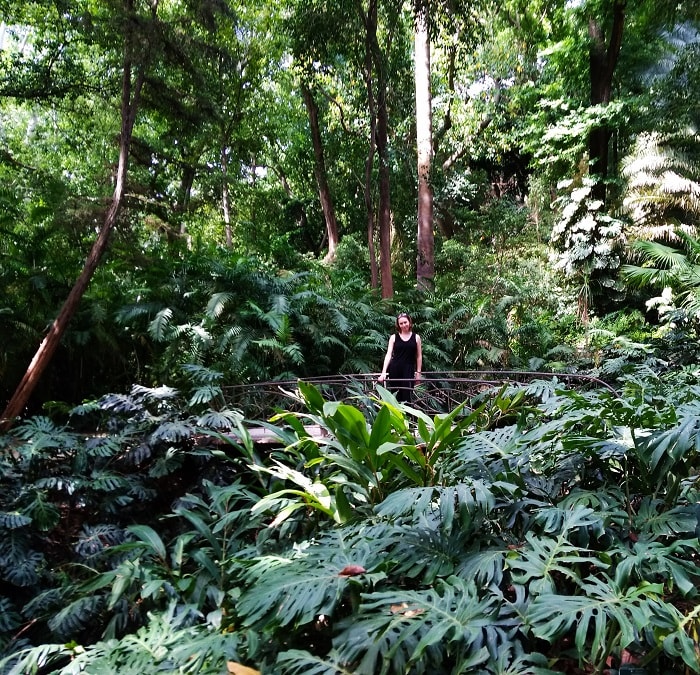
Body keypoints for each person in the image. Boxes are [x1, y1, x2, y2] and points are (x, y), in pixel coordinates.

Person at [377, 312, 422, 402]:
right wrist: (383, 372)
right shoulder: (393, 337)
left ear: (409, 322)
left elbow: (419, 356)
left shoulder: (416, 337)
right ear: (398, 325)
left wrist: (418, 373)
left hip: (408, 369)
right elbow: (389, 354)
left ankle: (407, 416)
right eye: (401, 323)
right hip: (395, 369)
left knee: (407, 396)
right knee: (396, 395)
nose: (403, 325)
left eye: (405, 322)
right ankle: (396, 415)